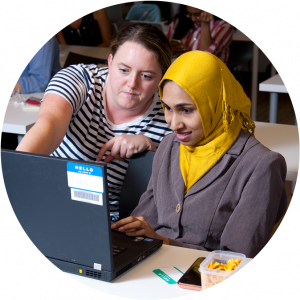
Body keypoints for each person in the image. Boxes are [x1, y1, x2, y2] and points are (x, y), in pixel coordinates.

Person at [111, 51, 287, 258]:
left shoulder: (262, 165)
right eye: (167, 108)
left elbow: (237, 258)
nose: (174, 124)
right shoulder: (169, 145)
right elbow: (145, 217)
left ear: (214, 103)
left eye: (186, 110)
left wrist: (163, 242)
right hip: (154, 263)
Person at [16, 23, 173, 222]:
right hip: (50, 206)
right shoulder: (78, 78)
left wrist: (151, 149)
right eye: (124, 70)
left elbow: (175, 191)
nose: (132, 84)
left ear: (162, 77)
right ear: (110, 62)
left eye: (146, 76)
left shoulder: (170, 116)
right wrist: (16, 175)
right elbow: (50, 125)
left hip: (114, 226)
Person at [166, 4, 234, 64]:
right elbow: (163, 46)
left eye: (197, 14)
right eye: (189, 14)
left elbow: (206, 55)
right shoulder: (179, 20)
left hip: (210, 73)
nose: (193, 19)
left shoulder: (224, 25)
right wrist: (170, 49)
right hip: (181, 71)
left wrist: (205, 24)